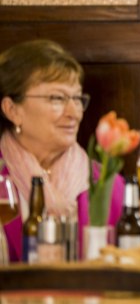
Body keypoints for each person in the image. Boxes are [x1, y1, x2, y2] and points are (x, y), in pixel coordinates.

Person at [0, 39, 124, 262]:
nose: (73, 113)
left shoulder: (108, 184)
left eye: (77, 99)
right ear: (12, 110)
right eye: (56, 98)